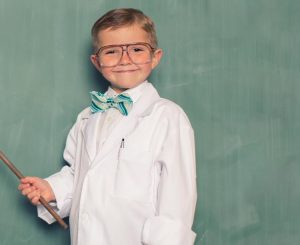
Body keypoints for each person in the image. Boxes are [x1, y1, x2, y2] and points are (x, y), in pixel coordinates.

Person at [18, 8, 197, 245]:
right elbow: (81, 175)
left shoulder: (167, 116)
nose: (125, 59)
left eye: (136, 49)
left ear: (155, 57)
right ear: (96, 61)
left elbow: (177, 198)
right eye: (111, 51)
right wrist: (52, 189)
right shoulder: (86, 118)